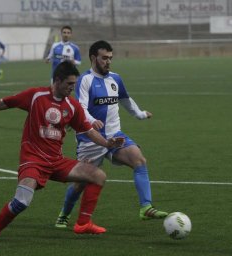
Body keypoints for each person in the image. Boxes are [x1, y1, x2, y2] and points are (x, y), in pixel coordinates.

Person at [0, 61, 124, 244]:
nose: (71, 88)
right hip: (33, 159)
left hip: (56, 161)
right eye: (69, 84)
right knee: (22, 201)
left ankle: (83, 223)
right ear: (57, 80)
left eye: (73, 84)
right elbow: (5, 103)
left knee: (98, 175)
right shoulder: (36, 95)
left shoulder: (72, 106)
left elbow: (87, 131)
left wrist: (107, 143)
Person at [54, 40, 168, 229]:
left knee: (139, 159)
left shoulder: (116, 79)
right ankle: (64, 214)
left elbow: (125, 100)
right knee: (80, 184)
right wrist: (91, 121)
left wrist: (139, 114)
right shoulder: (85, 80)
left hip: (115, 135)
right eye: (104, 58)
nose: (108, 62)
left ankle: (146, 206)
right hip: (90, 139)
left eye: (110, 58)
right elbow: (81, 107)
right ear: (93, 58)